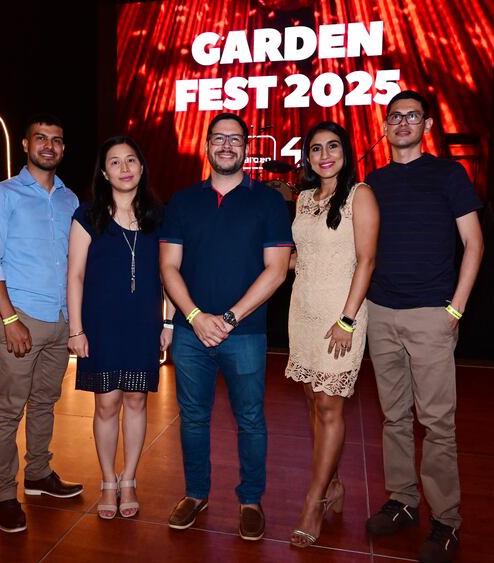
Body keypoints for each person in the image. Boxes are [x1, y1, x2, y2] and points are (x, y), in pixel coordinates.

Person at [159, 112, 293, 541]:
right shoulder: (183, 201)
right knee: (193, 418)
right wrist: (195, 317)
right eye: (219, 138)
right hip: (190, 332)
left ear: (247, 148)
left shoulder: (268, 202)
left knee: (250, 419)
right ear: (207, 146)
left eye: (235, 139)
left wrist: (230, 318)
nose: (227, 146)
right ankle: (196, 494)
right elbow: (168, 266)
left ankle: (250, 500)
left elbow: (277, 270)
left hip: (246, 334)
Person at [364, 90, 484, 563]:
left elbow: (474, 244)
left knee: (437, 424)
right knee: (394, 417)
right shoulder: (374, 182)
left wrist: (455, 310)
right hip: (381, 312)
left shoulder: (449, 175)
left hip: (432, 314)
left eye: (412, 116)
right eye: (395, 116)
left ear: (427, 125)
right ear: (386, 126)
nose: (402, 122)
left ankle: (446, 520)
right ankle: (403, 501)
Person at [0, 114, 83, 534]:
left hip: (59, 320)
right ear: (25, 144)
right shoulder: (2, 195)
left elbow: (75, 264)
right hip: (20, 319)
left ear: (63, 148)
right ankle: (4, 494)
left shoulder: (70, 200)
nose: (48, 146)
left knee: (44, 402)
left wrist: (74, 322)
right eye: (41, 138)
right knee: (8, 409)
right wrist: (9, 319)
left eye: (56, 139)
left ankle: (38, 474)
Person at [67, 135, 175, 520]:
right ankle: (107, 481)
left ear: (141, 168)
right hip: (100, 323)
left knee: (136, 399)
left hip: (144, 323)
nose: (124, 168)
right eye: (115, 162)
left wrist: (169, 321)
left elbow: (170, 273)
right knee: (106, 402)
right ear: (104, 172)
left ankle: (129, 478)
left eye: (131, 160)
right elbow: (75, 275)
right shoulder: (87, 215)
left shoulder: (159, 217)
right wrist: (76, 330)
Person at [286, 121, 379, 547]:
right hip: (302, 311)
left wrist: (346, 319)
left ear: (346, 151)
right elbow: (301, 257)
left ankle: (314, 501)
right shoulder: (304, 198)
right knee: (313, 402)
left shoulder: (361, 195)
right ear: (307, 156)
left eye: (333, 146)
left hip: (341, 315)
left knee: (329, 405)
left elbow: (366, 261)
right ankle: (334, 483)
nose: (325, 155)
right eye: (316, 148)